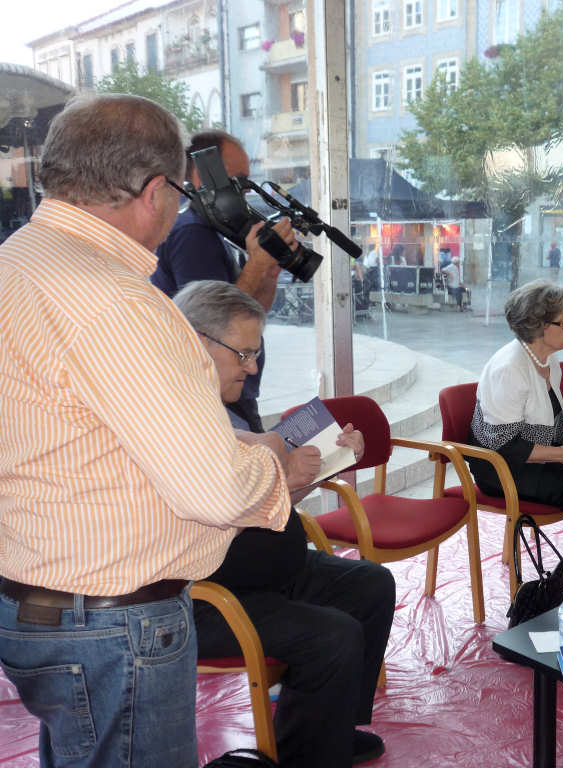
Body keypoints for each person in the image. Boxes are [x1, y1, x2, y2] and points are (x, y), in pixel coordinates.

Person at [0, 94, 291, 767]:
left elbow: (73, 428)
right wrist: (275, 461)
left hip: (32, 602)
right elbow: (217, 492)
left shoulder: (17, 259)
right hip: (112, 623)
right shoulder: (119, 301)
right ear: (156, 191)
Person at [174, 281, 394, 767]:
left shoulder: (224, 412)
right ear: (196, 343)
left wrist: (321, 466)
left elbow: (269, 502)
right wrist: (279, 474)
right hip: (213, 596)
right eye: (244, 353)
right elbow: (212, 520)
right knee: (333, 635)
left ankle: (331, 728)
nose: (253, 367)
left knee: (372, 584)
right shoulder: (175, 425)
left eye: (257, 353)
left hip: (268, 573)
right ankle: (309, 755)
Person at [467, 280, 563, 588]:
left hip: (535, 452)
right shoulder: (509, 369)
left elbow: (537, 412)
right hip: (503, 468)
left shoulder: (545, 358)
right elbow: (505, 444)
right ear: (539, 326)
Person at [152, 129, 298, 432]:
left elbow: (251, 313)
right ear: (203, 174)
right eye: (238, 180)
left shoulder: (212, 232)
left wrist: (269, 273)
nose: (245, 191)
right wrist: (256, 264)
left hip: (235, 388)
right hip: (214, 394)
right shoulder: (192, 234)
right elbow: (215, 323)